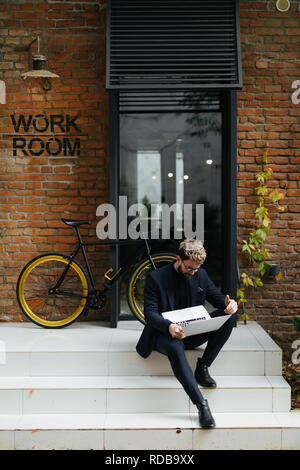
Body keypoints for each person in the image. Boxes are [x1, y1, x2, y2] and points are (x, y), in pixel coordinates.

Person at [136, 239, 238, 429]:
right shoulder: (156, 277)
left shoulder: (201, 274)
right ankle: (201, 405)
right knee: (175, 347)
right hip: (164, 333)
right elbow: (149, 313)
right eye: (189, 268)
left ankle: (203, 367)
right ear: (178, 259)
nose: (193, 272)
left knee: (230, 318)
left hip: (191, 331)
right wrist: (168, 327)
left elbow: (217, 298)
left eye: (196, 269)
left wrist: (230, 304)